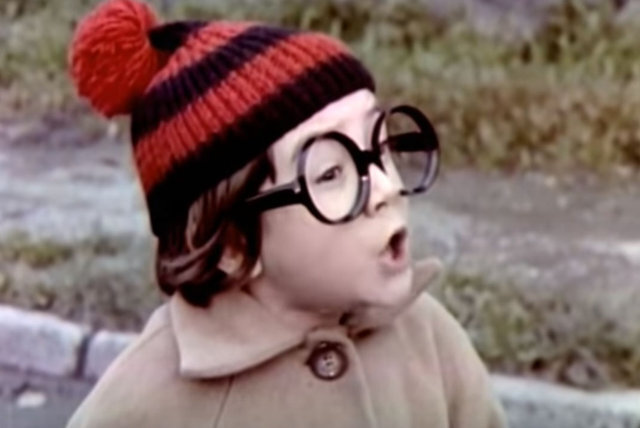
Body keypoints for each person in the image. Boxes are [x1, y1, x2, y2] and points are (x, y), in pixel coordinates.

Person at [66, 0, 506, 426]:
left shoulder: (431, 341)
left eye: (380, 146)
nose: (385, 187)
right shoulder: (142, 407)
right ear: (235, 244)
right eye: (331, 173)